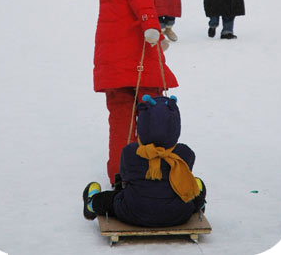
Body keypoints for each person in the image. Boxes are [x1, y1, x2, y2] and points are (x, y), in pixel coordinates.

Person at [92, 0, 178, 186]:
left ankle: (120, 175)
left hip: (113, 47)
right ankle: (150, 178)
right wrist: (150, 28)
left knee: (120, 115)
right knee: (151, 111)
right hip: (133, 47)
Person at [82, 95, 206, 227]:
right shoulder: (184, 153)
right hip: (178, 214)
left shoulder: (131, 151)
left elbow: (125, 178)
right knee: (193, 189)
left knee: (109, 200)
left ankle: (92, 203)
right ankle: (200, 203)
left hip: (133, 212)